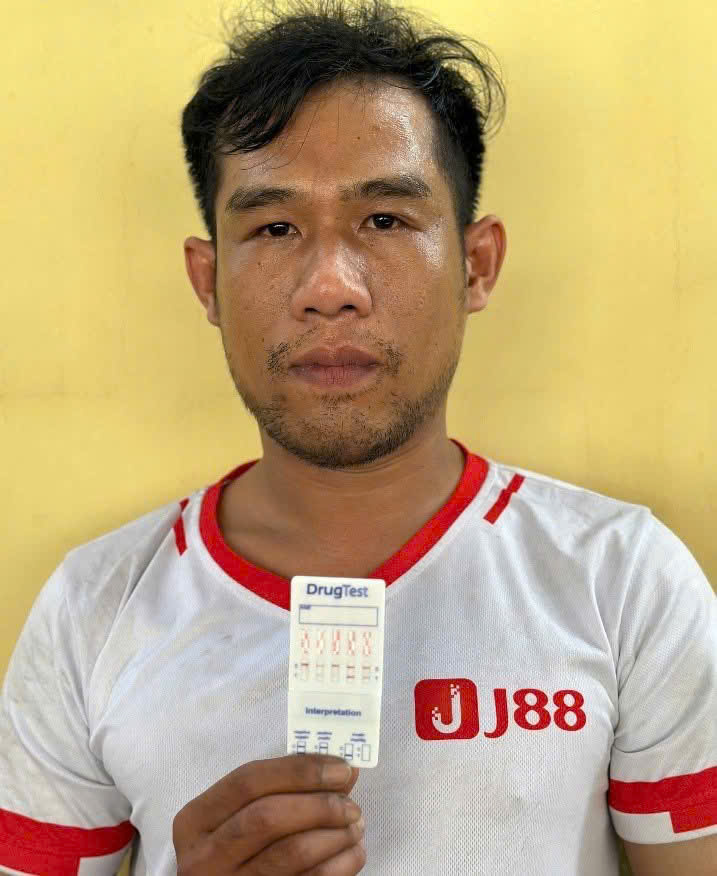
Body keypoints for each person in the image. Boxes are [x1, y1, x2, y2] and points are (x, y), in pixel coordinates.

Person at [1, 0, 715, 873]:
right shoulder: (93, 608)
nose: (330, 288)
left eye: (384, 221)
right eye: (273, 228)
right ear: (207, 281)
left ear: (476, 265)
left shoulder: (622, 578)